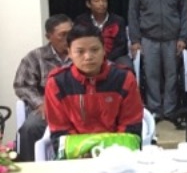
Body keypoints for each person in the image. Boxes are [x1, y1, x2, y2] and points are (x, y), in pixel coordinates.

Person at [45, 24, 143, 154]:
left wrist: (109, 153)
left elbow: (130, 128)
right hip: (75, 155)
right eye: (80, 51)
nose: (88, 57)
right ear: (69, 53)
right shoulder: (57, 83)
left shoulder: (124, 78)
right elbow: (61, 132)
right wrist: (85, 152)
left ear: (104, 50)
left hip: (118, 154)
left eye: (95, 50)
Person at [128, 0, 187, 128]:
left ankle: (169, 110)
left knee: (172, 75)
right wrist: (135, 40)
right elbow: (133, 14)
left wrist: (183, 37)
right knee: (151, 75)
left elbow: (185, 12)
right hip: (148, 39)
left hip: (172, 39)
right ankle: (154, 109)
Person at [13, 14, 73, 161]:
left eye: (71, 33)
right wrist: (40, 102)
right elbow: (22, 85)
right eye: (62, 35)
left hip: (78, 105)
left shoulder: (81, 53)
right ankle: (29, 169)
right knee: (30, 128)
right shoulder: (35, 56)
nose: (68, 38)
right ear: (48, 36)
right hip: (47, 107)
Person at [74, 0, 132, 69]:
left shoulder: (118, 20)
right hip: (89, 55)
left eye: (104, 0)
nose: (101, 4)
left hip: (114, 57)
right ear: (88, 4)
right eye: (97, 1)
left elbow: (122, 46)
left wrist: (106, 58)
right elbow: (78, 42)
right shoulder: (81, 20)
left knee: (127, 65)